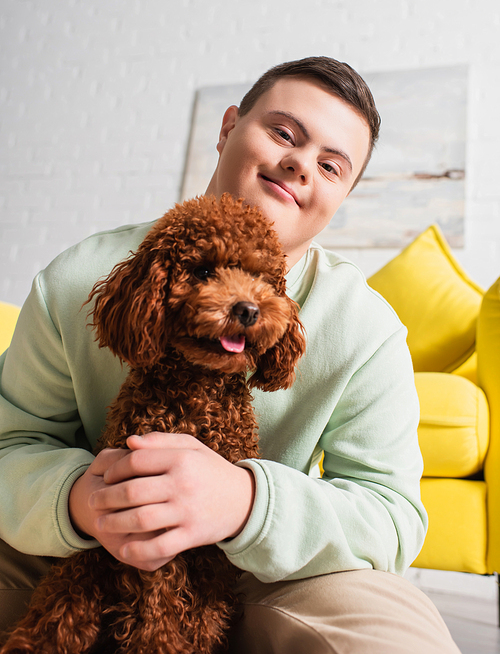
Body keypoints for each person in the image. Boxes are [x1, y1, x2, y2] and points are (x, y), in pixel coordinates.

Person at [0, 57, 460, 653]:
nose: (300, 164)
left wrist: (245, 503)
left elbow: (393, 517)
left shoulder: (367, 330)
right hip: (82, 551)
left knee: (397, 637)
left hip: (270, 572)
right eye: (284, 134)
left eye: (330, 165)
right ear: (227, 130)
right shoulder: (71, 282)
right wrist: (83, 500)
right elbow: (12, 446)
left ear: (342, 195)